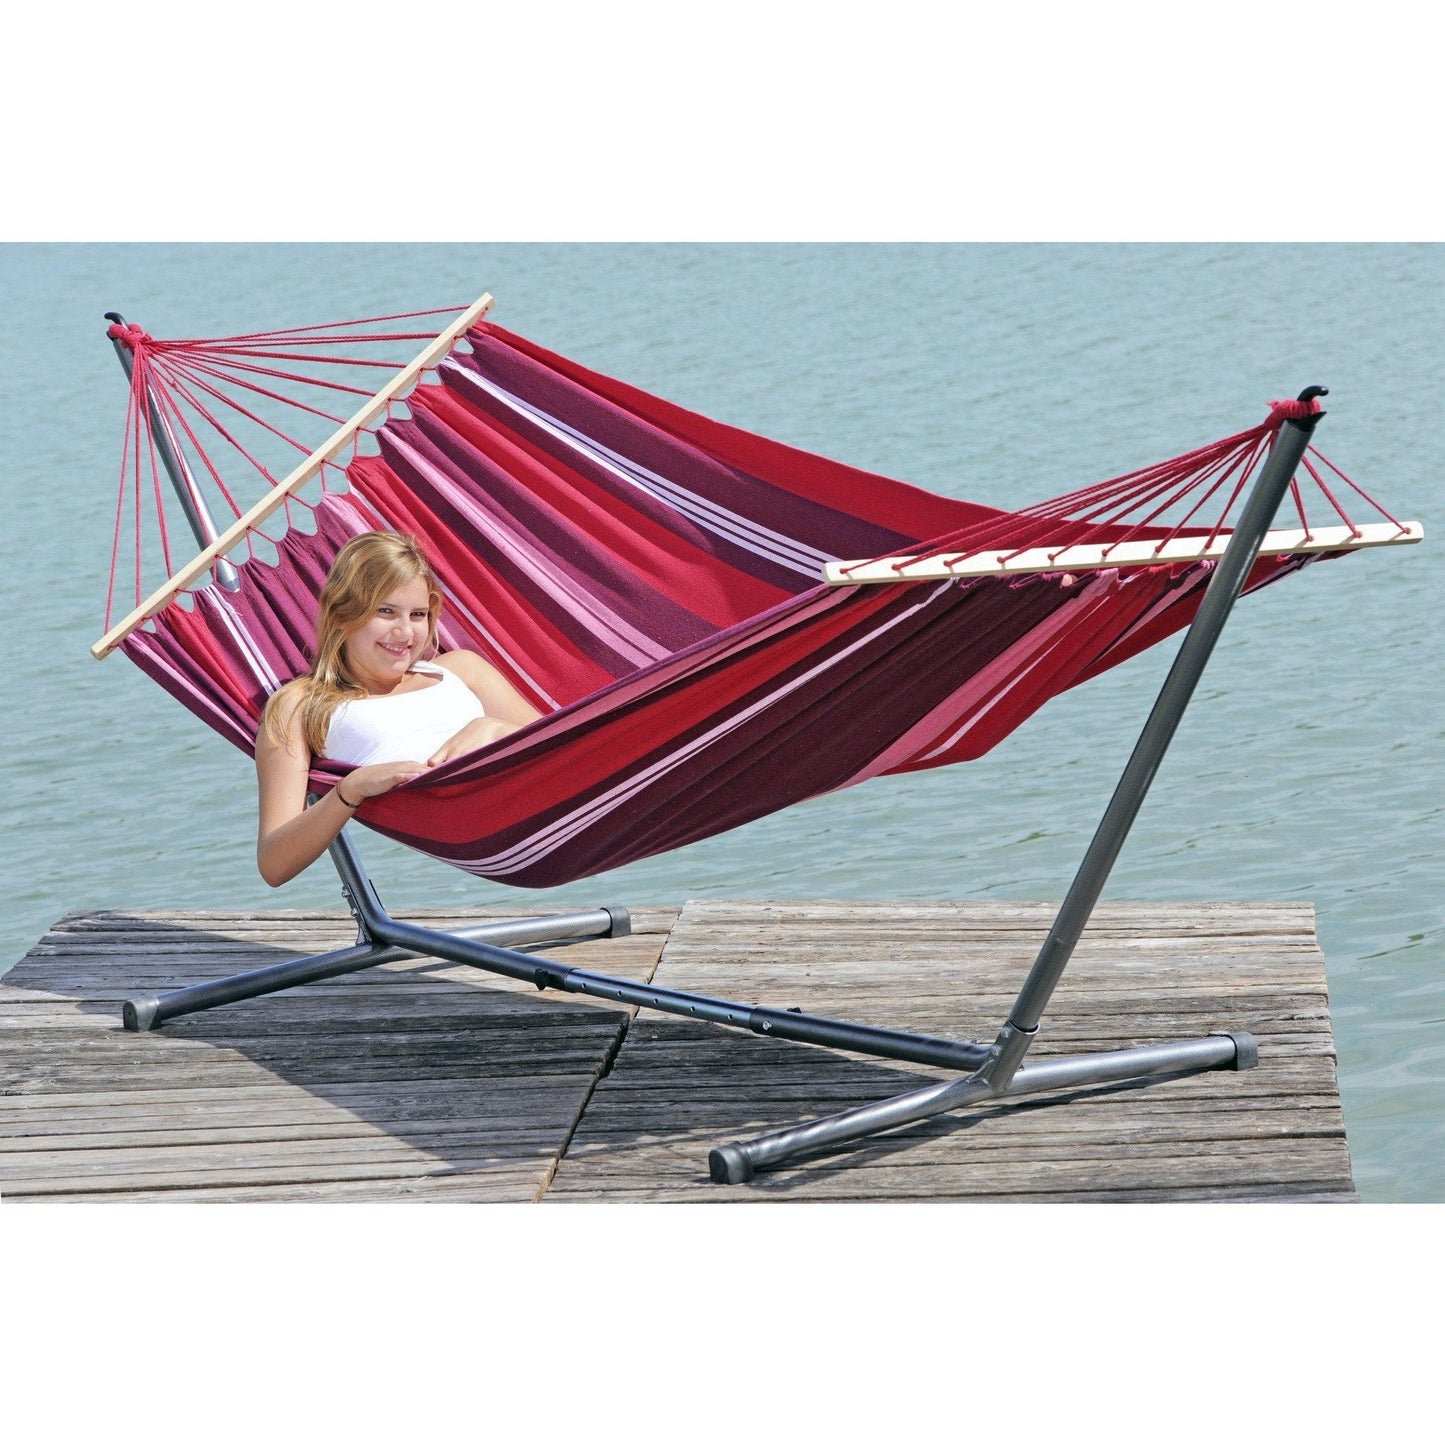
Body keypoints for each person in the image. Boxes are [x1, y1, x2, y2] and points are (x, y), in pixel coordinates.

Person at [255, 531, 541, 887]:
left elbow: (572, 756)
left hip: (537, 806)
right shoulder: (298, 706)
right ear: (343, 614)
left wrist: (496, 731)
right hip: (467, 820)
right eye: (386, 611)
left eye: (418, 614)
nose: (405, 632)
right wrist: (350, 791)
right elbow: (274, 863)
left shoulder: (462, 670)